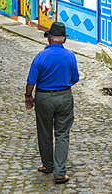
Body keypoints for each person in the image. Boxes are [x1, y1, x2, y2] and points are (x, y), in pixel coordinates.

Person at [25, 22, 79, 184]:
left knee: (44, 132)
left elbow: (31, 80)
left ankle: (48, 165)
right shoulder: (70, 56)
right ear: (64, 40)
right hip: (64, 97)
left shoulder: (40, 56)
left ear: (48, 39)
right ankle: (60, 173)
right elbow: (75, 79)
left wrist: (28, 95)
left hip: (43, 98)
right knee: (62, 134)